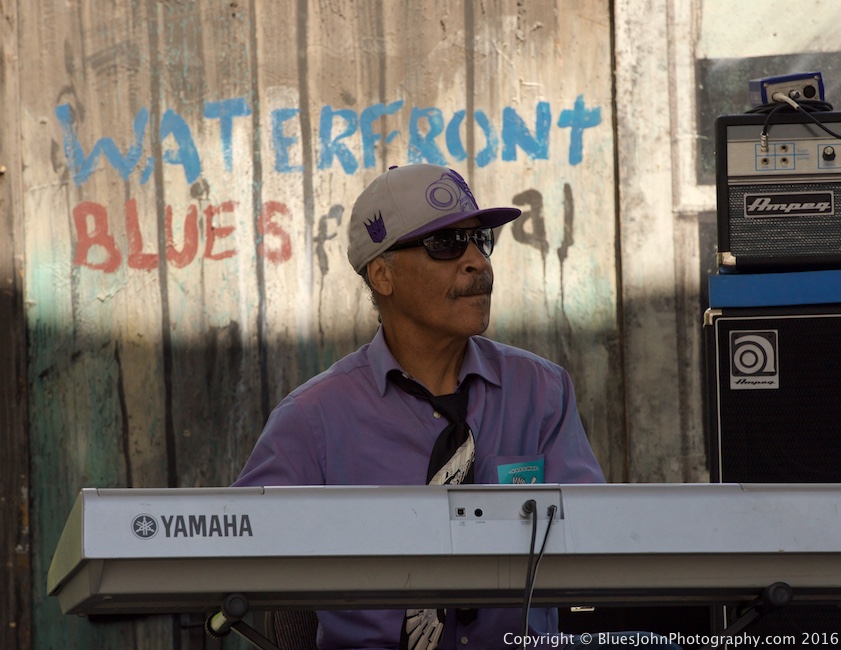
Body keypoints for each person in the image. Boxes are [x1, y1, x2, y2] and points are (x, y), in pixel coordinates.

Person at [233, 164, 679, 650]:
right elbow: (237, 552)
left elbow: (593, 541)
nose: (477, 263)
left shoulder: (540, 391)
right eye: (446, 245)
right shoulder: (313, 418)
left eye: (480, 241)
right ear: (383, 274)